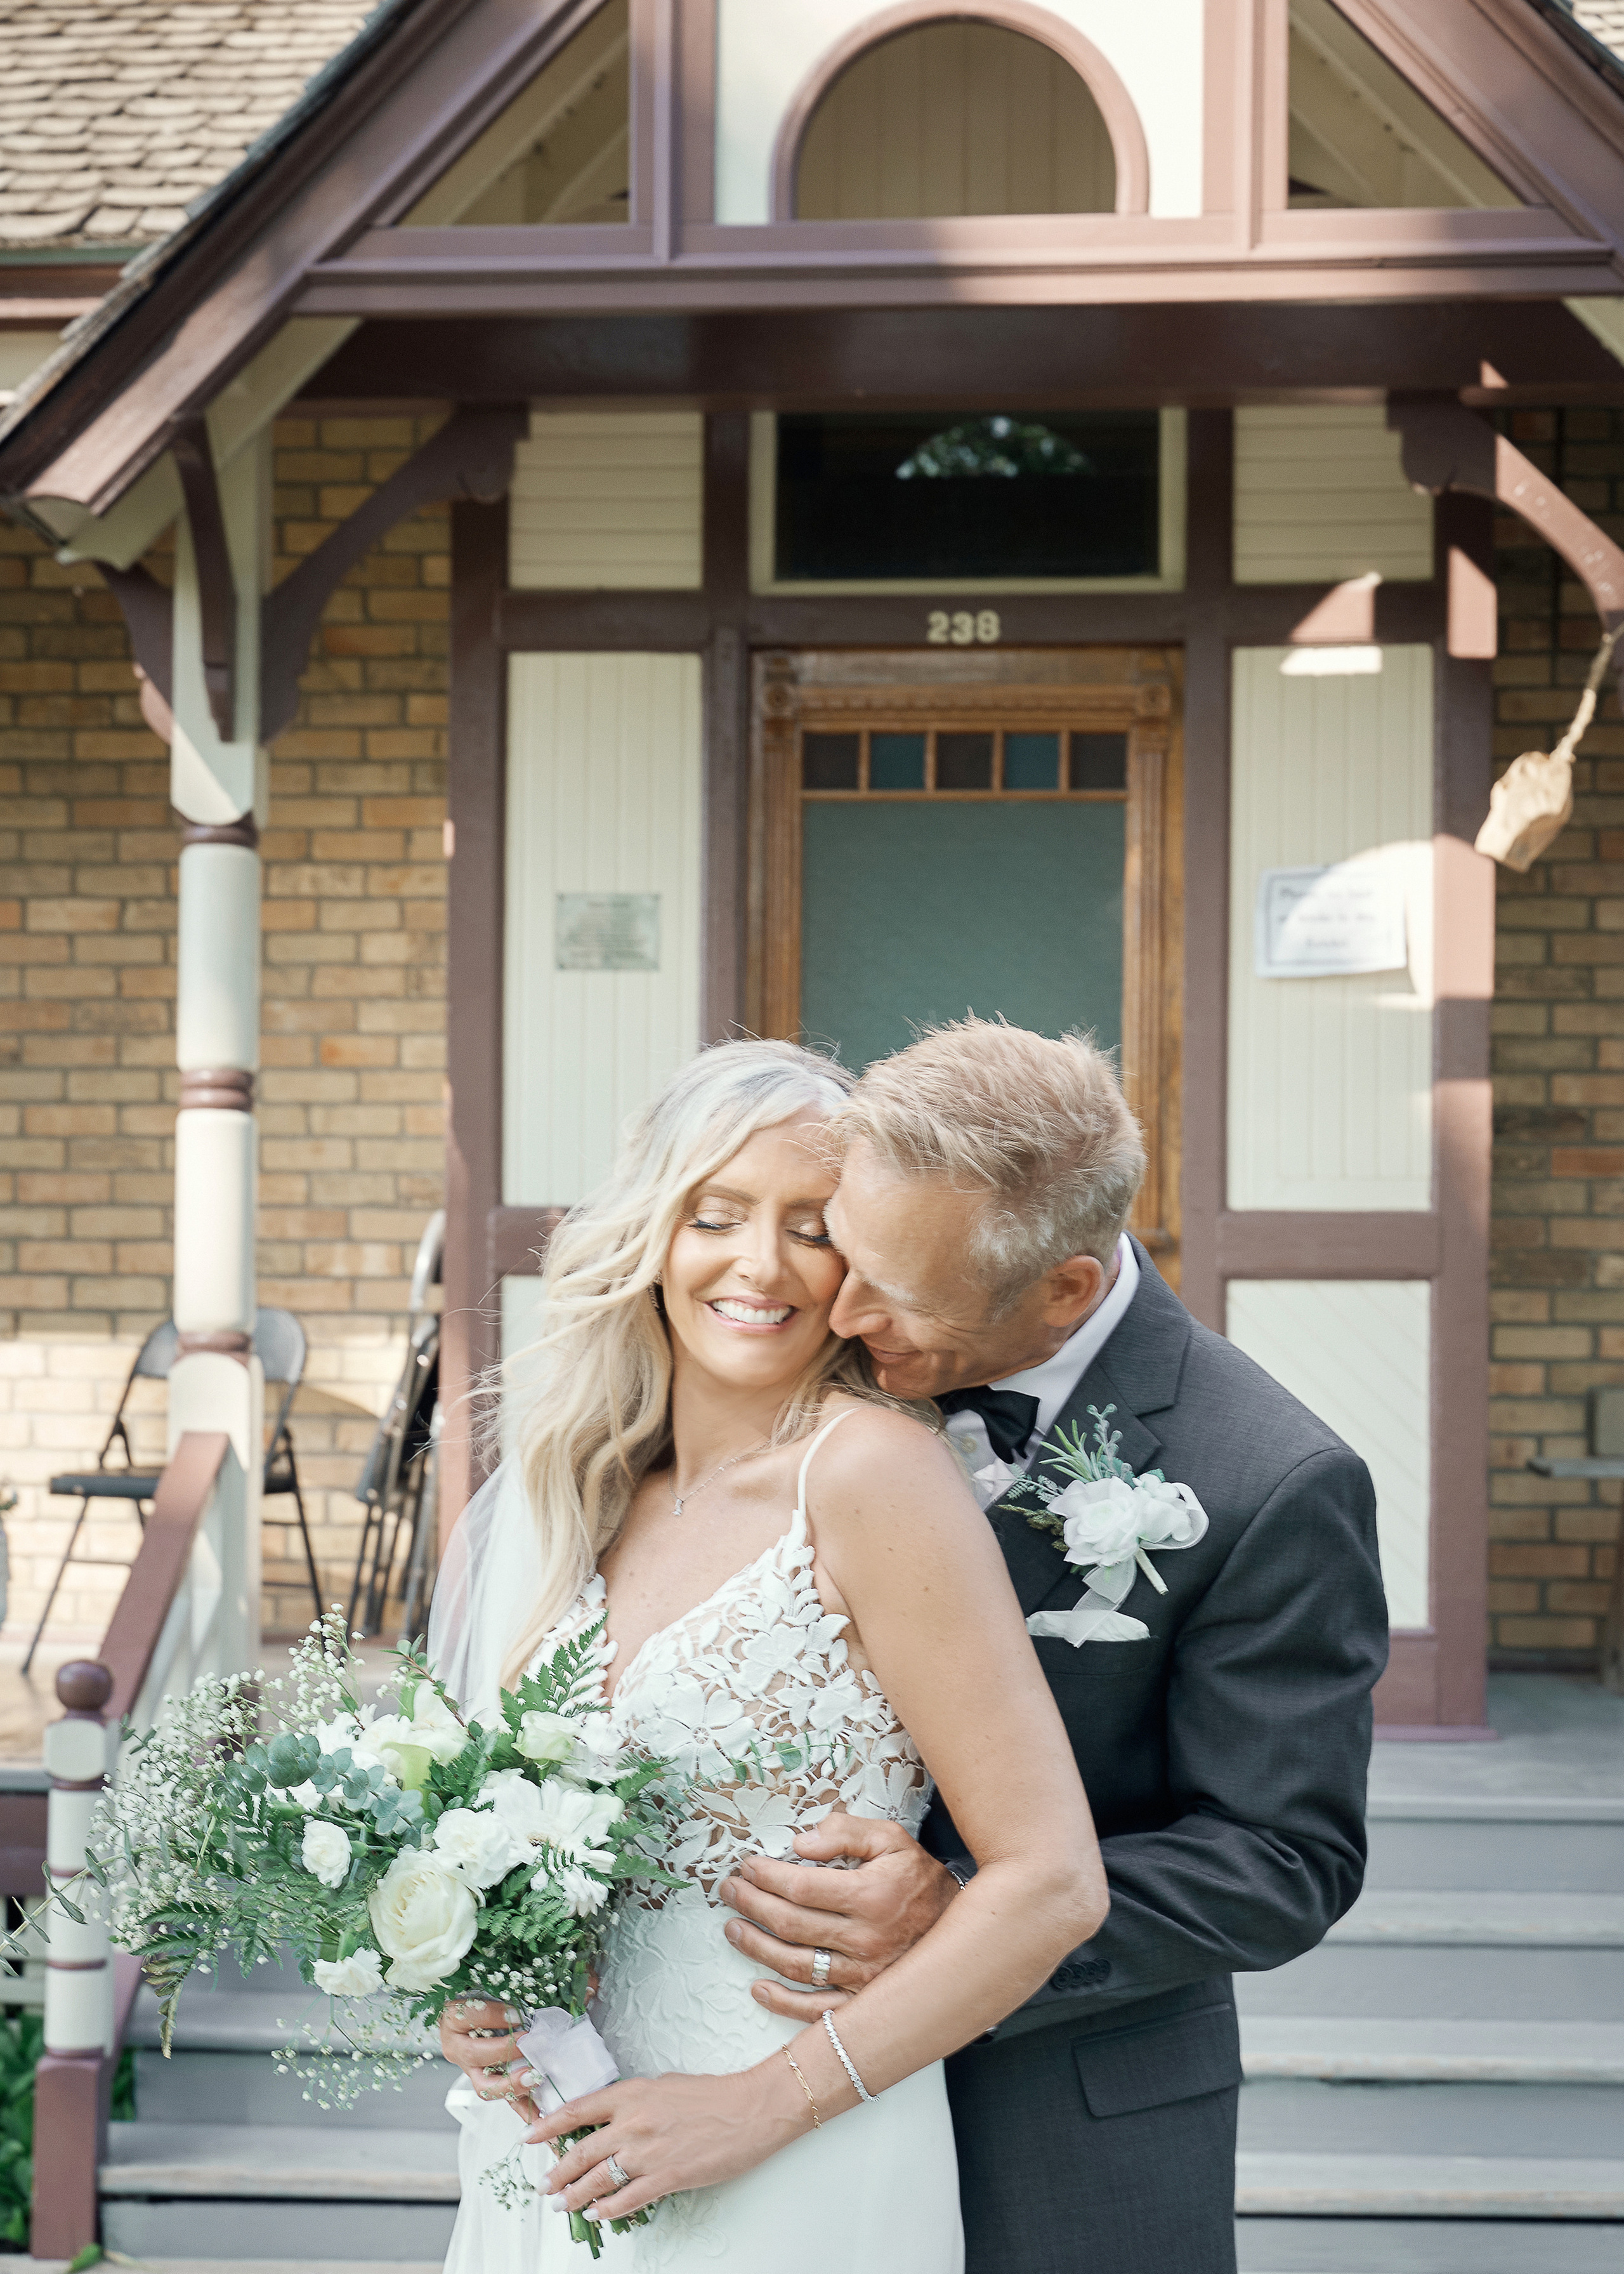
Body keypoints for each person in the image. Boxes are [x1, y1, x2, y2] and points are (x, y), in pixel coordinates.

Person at [716, 1018, 1389, 2274]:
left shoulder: (1272, 1480)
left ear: (1065, 1289)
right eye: (844, 1252)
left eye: (898, 1291)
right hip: (752, 2065)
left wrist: (966, 1913)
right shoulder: (784, 1367)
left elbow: (1283, 1858)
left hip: (1061, 2126)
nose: (841, 1312)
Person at [431, 1038, 1108, 2271]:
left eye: (812, 1228)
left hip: (794, 2151)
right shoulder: (583, 1494)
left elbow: (1053, 1882)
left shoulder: (871, 1474)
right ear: (652, 1233)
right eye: (716, 1215)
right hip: (557, 2143)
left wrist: (757, 2109)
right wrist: (471, 1983)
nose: (759, 1264)